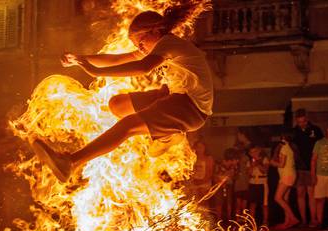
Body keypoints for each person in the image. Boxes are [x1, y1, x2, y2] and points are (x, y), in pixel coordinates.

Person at [30, 4, 214, 182]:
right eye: (137, 46)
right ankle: (168, 135)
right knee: (118, 105)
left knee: (128, 125)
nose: (140, 49)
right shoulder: (156, 46)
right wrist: (80, 59)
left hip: (191, 108)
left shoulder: (169, 43)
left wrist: (96, 72)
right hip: (172, 96)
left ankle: (71, 162)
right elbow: (117, 59)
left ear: (156, 31)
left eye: (140, 42)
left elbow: (143, 67)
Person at [292, 108, 323, 227]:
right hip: (299, 167)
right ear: (296, 120)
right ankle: (304, 220)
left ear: (307, 119)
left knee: (311, 194)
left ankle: (313, 219)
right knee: (300, 194)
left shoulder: (315, 130)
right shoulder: (294, 132)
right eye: (299, 122)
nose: (302, 124)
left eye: (304, 121)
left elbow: (321, 146)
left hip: (312, 167)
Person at [270, 130, 300, 229]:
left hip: (287, 175)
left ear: (283, 138)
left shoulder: (284, 148)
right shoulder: (289, 148)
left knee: (277, 198)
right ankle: (287, 222)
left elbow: (282, 164)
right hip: (289, 174)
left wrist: (273, 163)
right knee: (285, 199)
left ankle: (293, 218)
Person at [189, 141, 214, 219]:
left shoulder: (208, 159)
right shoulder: (193, 158)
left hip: (205, 183)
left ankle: (206, 219)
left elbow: (210, 172)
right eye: (198, 147)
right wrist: (194, 181)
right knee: (195, 203)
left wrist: (201, 182)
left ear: (204, 148)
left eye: (201, 147)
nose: (199, 149)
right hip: (194, 183)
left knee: (204, 203)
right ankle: (197, 220)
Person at [213, 148, 239, 222]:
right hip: (219, 185)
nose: (236, 161)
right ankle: (219, 219)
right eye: (235, 159)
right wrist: (220, 182)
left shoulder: (234, 166)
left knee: (229, 202)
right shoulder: (219, 163)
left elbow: (235, 176)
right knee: (219, 202)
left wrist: (232, 173)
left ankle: (229, 219)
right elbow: (214, 175)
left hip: (229, 185)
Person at [247, 145, 270, 225]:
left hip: (262, 183)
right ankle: (251, 222)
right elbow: (248, 173)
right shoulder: (249, 161)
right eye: (251, 152)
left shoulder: (265, 159)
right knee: (252, 203)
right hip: (253, 183)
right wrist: (252, 166)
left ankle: (265, 221)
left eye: (255, 151)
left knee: (264, 204)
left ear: (259, 151)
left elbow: (265, 171)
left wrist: (258, 164)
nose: (253, 153)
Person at [233, 129, 251, 220]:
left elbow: (248, 170)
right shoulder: (236, 159)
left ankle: (242, 219)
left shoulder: (246, 158)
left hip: (244, 183)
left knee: (243, 203)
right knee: (239, 203)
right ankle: (238, 219)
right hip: (239, 184)